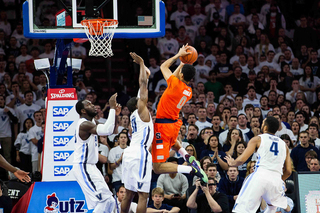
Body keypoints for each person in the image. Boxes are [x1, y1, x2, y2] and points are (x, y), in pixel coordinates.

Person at [152, 45, 207, 183]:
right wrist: (183, 63)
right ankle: (186, 155)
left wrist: (178, 55)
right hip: (174, 124)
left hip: (164, 126)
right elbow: (176, 76)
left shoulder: (175, 84)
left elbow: (163, 67)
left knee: (157, 168)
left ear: (182, 75)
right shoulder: (188, 91)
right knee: (174, 143)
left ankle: (190, 169)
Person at [225, 116, 292, 212]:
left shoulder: (257, 139)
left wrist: (232, 163)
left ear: (265, 127)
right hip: (276, 180)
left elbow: (242, 160)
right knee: (271, 209)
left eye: (263, 122)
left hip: (260, 176)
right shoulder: (284, 145)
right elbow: (289, 171)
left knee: (242, 209)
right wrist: (275, 180)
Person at [73, 93, 120, 213]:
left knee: (109, 200)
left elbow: (112, 131)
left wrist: (115, 115)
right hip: (83, 166)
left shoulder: (92, 122)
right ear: (83, 111)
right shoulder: (84, 124)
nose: (93, 105)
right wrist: (112, 107)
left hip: (91, 166)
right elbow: (107, 129)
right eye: (89, 104)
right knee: (103, 200)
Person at [121, 53, 154, 213]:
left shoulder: (135, 116)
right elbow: (142, 84)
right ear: (139, 103)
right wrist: (141, 63)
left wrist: (146, 74)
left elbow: (144, 83)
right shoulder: (141, 110)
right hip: (140, 153)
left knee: (129, 193)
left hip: (130, 153)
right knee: (143, 195)